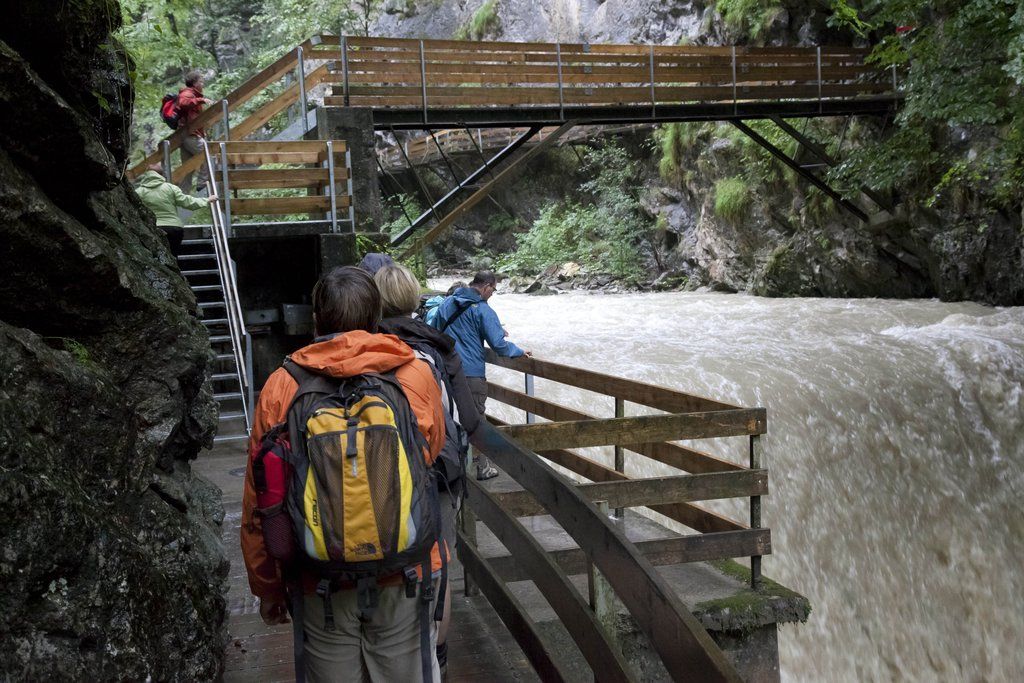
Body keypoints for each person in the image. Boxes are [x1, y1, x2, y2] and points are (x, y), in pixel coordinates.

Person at [240, 266, 446, 682]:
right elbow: (431, 450)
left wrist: (267, 587)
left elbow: (261, 496)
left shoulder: (282, 385)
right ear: (377, 317)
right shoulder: (414, 373)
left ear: (316, 320)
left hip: (318, 577)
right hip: (405, 568)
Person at [373, 264, 480, 678]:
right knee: (438, 564)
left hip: (381, 472)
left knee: (387, 561)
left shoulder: (362, 345)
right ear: (414, 298)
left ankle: (390, 652)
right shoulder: (438, 346)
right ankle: (438, 657)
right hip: (438, 472)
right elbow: (468, 417)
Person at [431, 271, 530, 480]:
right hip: (471, 374)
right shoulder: (483, 310)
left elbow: (434, 331)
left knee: (449, 415)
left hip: (446, 370)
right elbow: (499, 345)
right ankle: (483, 468)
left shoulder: (448, 303)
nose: (492, 293)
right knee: (477, 419)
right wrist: (519, 351)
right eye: (493, 289)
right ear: (486, 287)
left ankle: (453, 464)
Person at [134, 162, 214, 256]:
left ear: (146, 175)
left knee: (154, 256)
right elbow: (188, 202)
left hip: (153, 228)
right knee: (173, 256)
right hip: (174, 228)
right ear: (161, 175)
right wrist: (206, 200)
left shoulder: (139, 192)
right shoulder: (170, 188)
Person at [177, 70, 212, 193]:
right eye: (201, 81)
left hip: (188, 135)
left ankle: (182, 195)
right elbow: (183, 103)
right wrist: (200, 100)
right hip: (191, 135)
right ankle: (202, 183)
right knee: (208, 154)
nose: (202, 84)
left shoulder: (192, 94)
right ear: (194, 83)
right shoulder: (187, 93)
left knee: (188, 169)